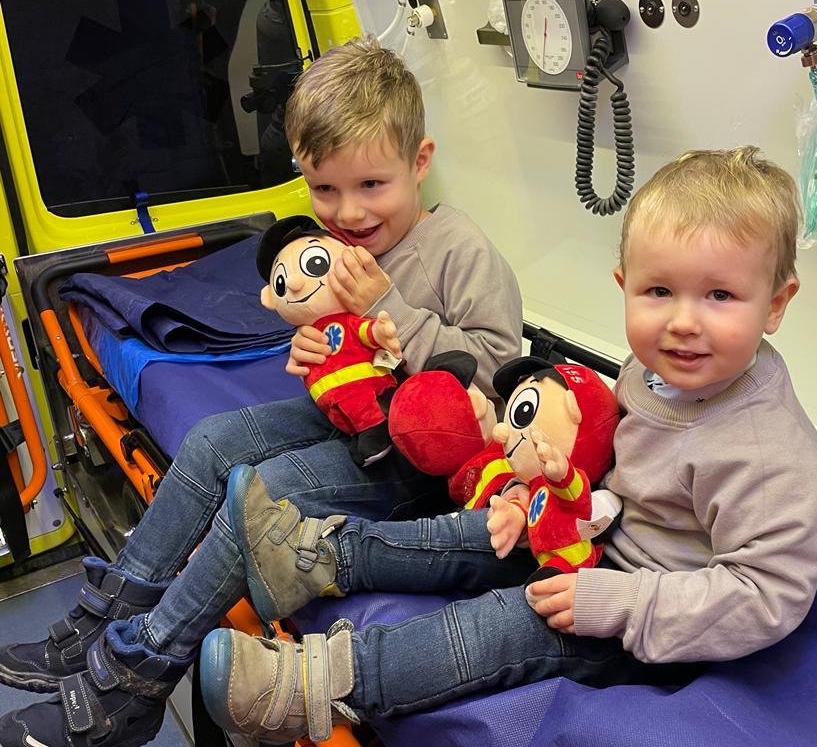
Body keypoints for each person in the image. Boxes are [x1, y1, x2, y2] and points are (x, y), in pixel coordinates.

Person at [196, 146, 817, 744]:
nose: (683, 321)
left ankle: (309, 689)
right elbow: (613, 459)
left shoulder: (772, 458)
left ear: (776, 304)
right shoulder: (654, 370)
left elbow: (764, 596)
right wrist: (530, 486)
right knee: (472, 532)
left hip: (647, 614)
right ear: (624, 285)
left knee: (496, 627)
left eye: (720, 295)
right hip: (589, 537)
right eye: (659, 291)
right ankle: (316, 560)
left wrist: (620, 603)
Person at [0, 37, 522, 747]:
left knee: (262, 495)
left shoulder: (460, 251)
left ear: (420, 161)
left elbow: (495, 380)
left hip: (418, 463)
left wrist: (387, 308)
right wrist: (312, 353)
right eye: (323, 190)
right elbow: (345, 352)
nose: (348, 212)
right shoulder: (336, 248)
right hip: (353, 425)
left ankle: (131, 683)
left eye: (372, 185)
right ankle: (102, 617)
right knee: (213, 440)